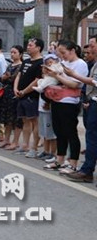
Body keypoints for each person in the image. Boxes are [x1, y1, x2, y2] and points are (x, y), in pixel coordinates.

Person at [42, 40, 87, 174]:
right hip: (57, 99)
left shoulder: (80, 64)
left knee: (70, 131)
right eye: (59, 53)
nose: (62, 55)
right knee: (59, 130)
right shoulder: (63, 63)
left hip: (69, 102)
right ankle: (59, 159)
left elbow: (75, 84)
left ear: (72, 50)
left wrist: (57, 76)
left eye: (64, 52)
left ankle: (73, 162)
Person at [62, 35, 97, 183]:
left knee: (92, 137)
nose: (89, 48)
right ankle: (87, 170)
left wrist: (73, 75)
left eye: (92, 45)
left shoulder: (83, 64)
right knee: (92, 138)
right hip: (93, 101)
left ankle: (87, 170)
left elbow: (94, 82)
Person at [13, 38, 44, 157]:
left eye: (31, 45)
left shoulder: (40, 63)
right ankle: (24, 145)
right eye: (28, 44)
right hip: (21, 95)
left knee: (34, 121)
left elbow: (37, 80)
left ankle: (34, 148)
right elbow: (19, 75)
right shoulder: (25, 61)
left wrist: (24, 91)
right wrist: (16, 89)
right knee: (25, 120)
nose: (28, 47)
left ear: (38, 48)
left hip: (32, 96)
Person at [0, 45, 24, 150]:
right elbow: (2, 78)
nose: (12, 54)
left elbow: (14, 78)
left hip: (15, 93)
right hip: (6, 93)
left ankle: (15, 141)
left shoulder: (21, 66)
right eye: (11, 52)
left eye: (15, 52)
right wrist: (4, 77)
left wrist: (7, 77)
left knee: (16, 118)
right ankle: (6, 139)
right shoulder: (10, 65)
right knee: (7, 118)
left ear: (20, 54)